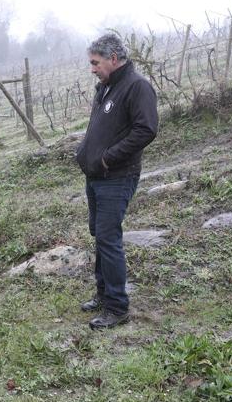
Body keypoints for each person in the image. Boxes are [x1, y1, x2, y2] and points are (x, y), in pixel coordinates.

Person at [75, 34, 158, 329]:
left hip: (117, 177)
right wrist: (85, 152)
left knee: (109, 239)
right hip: (96, 176)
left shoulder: (137, 87)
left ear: (113, 58)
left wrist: (109, 157)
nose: (92, 68)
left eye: (95, 63)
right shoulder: (106, 89)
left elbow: (146, 129)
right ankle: (103, 294)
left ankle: (117, 307)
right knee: (100, 235)